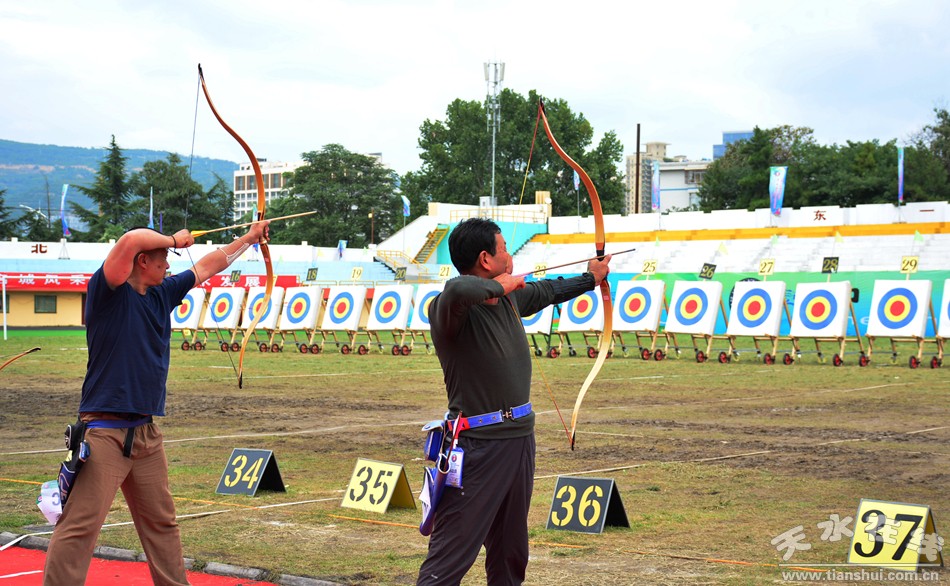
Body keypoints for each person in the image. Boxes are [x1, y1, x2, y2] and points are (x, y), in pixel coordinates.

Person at [43, 222, 269, 586]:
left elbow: (208, 264)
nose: (169, 262)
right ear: (142, 260)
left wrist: (249, 238)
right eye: (163, 256)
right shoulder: (108, 292)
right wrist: (175, 239)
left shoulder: (162, 293)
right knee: (80, 527)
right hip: (104, 433)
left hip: (146, 433)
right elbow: (131, 239)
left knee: (162, 524)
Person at [417, 218, 610, 585]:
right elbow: (458, 288)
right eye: (504, 248)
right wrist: (500, 285)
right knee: (451, 554)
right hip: (477, 446)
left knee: (511, 550)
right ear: (485, 259)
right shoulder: (450, 310)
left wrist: (591, 278)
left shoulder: (510, 300)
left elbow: (549, 290)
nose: (510, 255)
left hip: (520, 440)